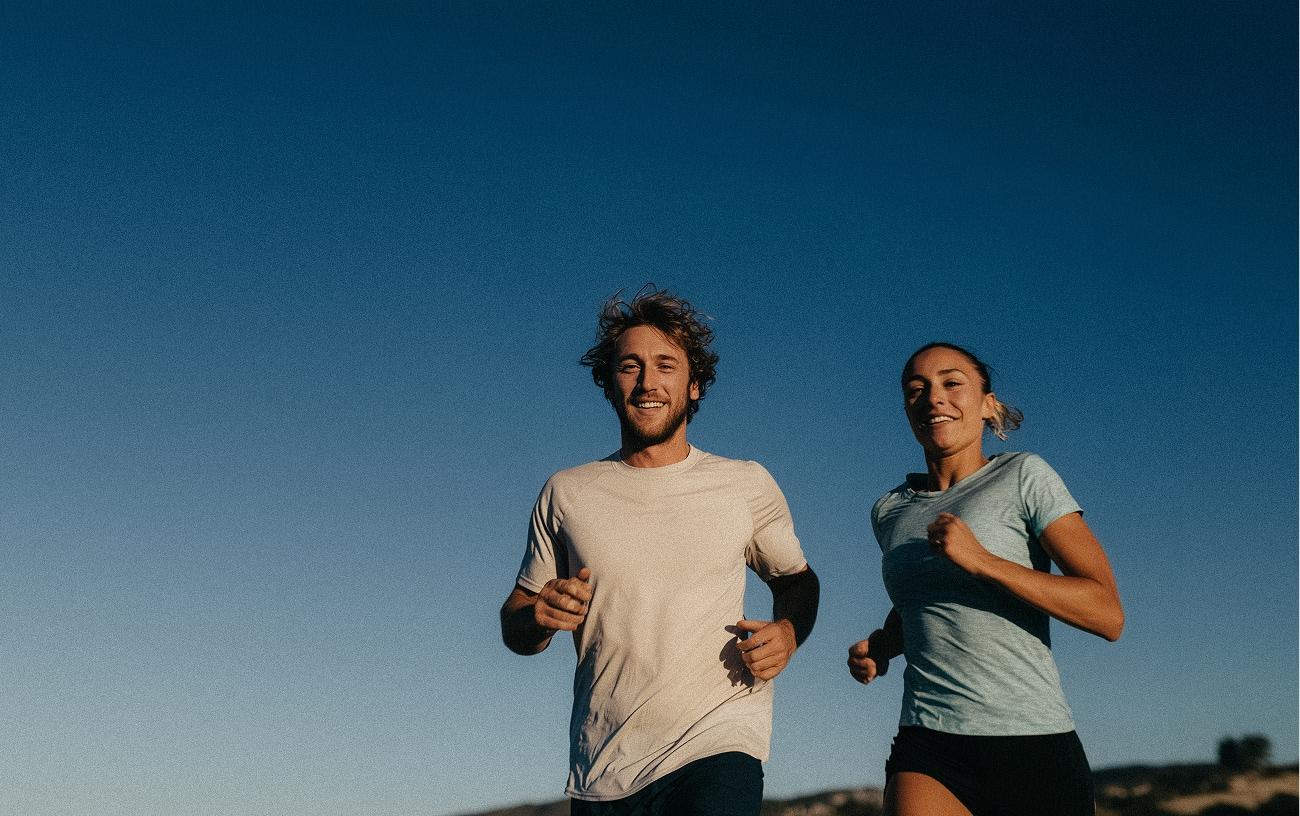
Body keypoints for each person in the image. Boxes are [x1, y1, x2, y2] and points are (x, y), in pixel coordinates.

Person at [501, 287, 820, 816]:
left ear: (694, 385)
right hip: (605, 767)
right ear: (609, 384)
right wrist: (539, 616)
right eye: (630, 366)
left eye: (666, 366)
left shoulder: (744, 483)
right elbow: (516, 622)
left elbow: (797, 581)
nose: (648, 382)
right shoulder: (567, 493)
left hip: (719, 742)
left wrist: (788, 631)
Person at [847, 342, 1123, 816]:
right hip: (928, 739)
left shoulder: (1025, 475)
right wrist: (886, 643)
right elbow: (925, 601)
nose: (934, 397)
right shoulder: (889, 511)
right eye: (916, 390)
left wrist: (984, 561)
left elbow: (1107, 613)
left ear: (987, 405)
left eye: (952, 383)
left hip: (1033, 742)